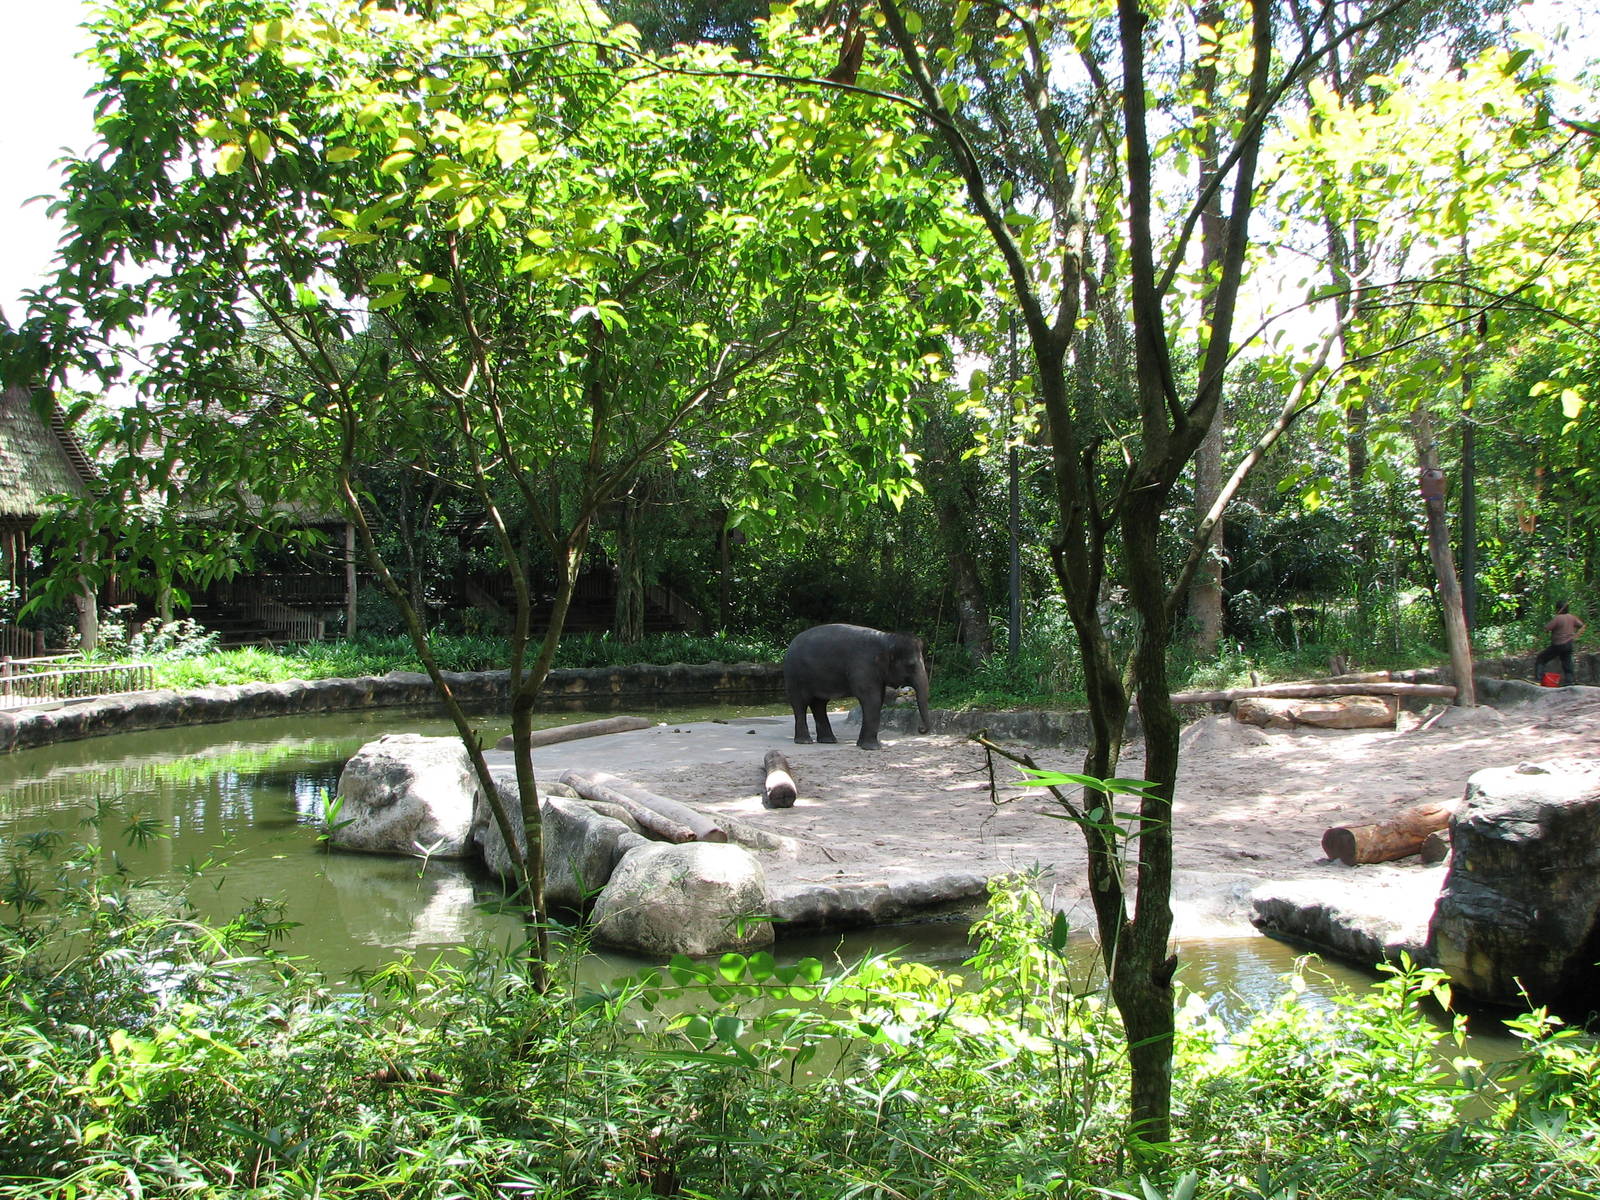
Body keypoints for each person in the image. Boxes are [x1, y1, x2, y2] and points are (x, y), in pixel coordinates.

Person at [1534, 602, 1587, 686]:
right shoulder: (1571, 617)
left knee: (1541, 658)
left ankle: (1538, 679)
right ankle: (1570, 681)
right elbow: (1582, 626)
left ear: (1558, 609)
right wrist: (1576, 635)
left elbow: (1546, 628)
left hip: (1558, 645)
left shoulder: (1558, 618)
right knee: (1567, 662)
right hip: (1569, 644)